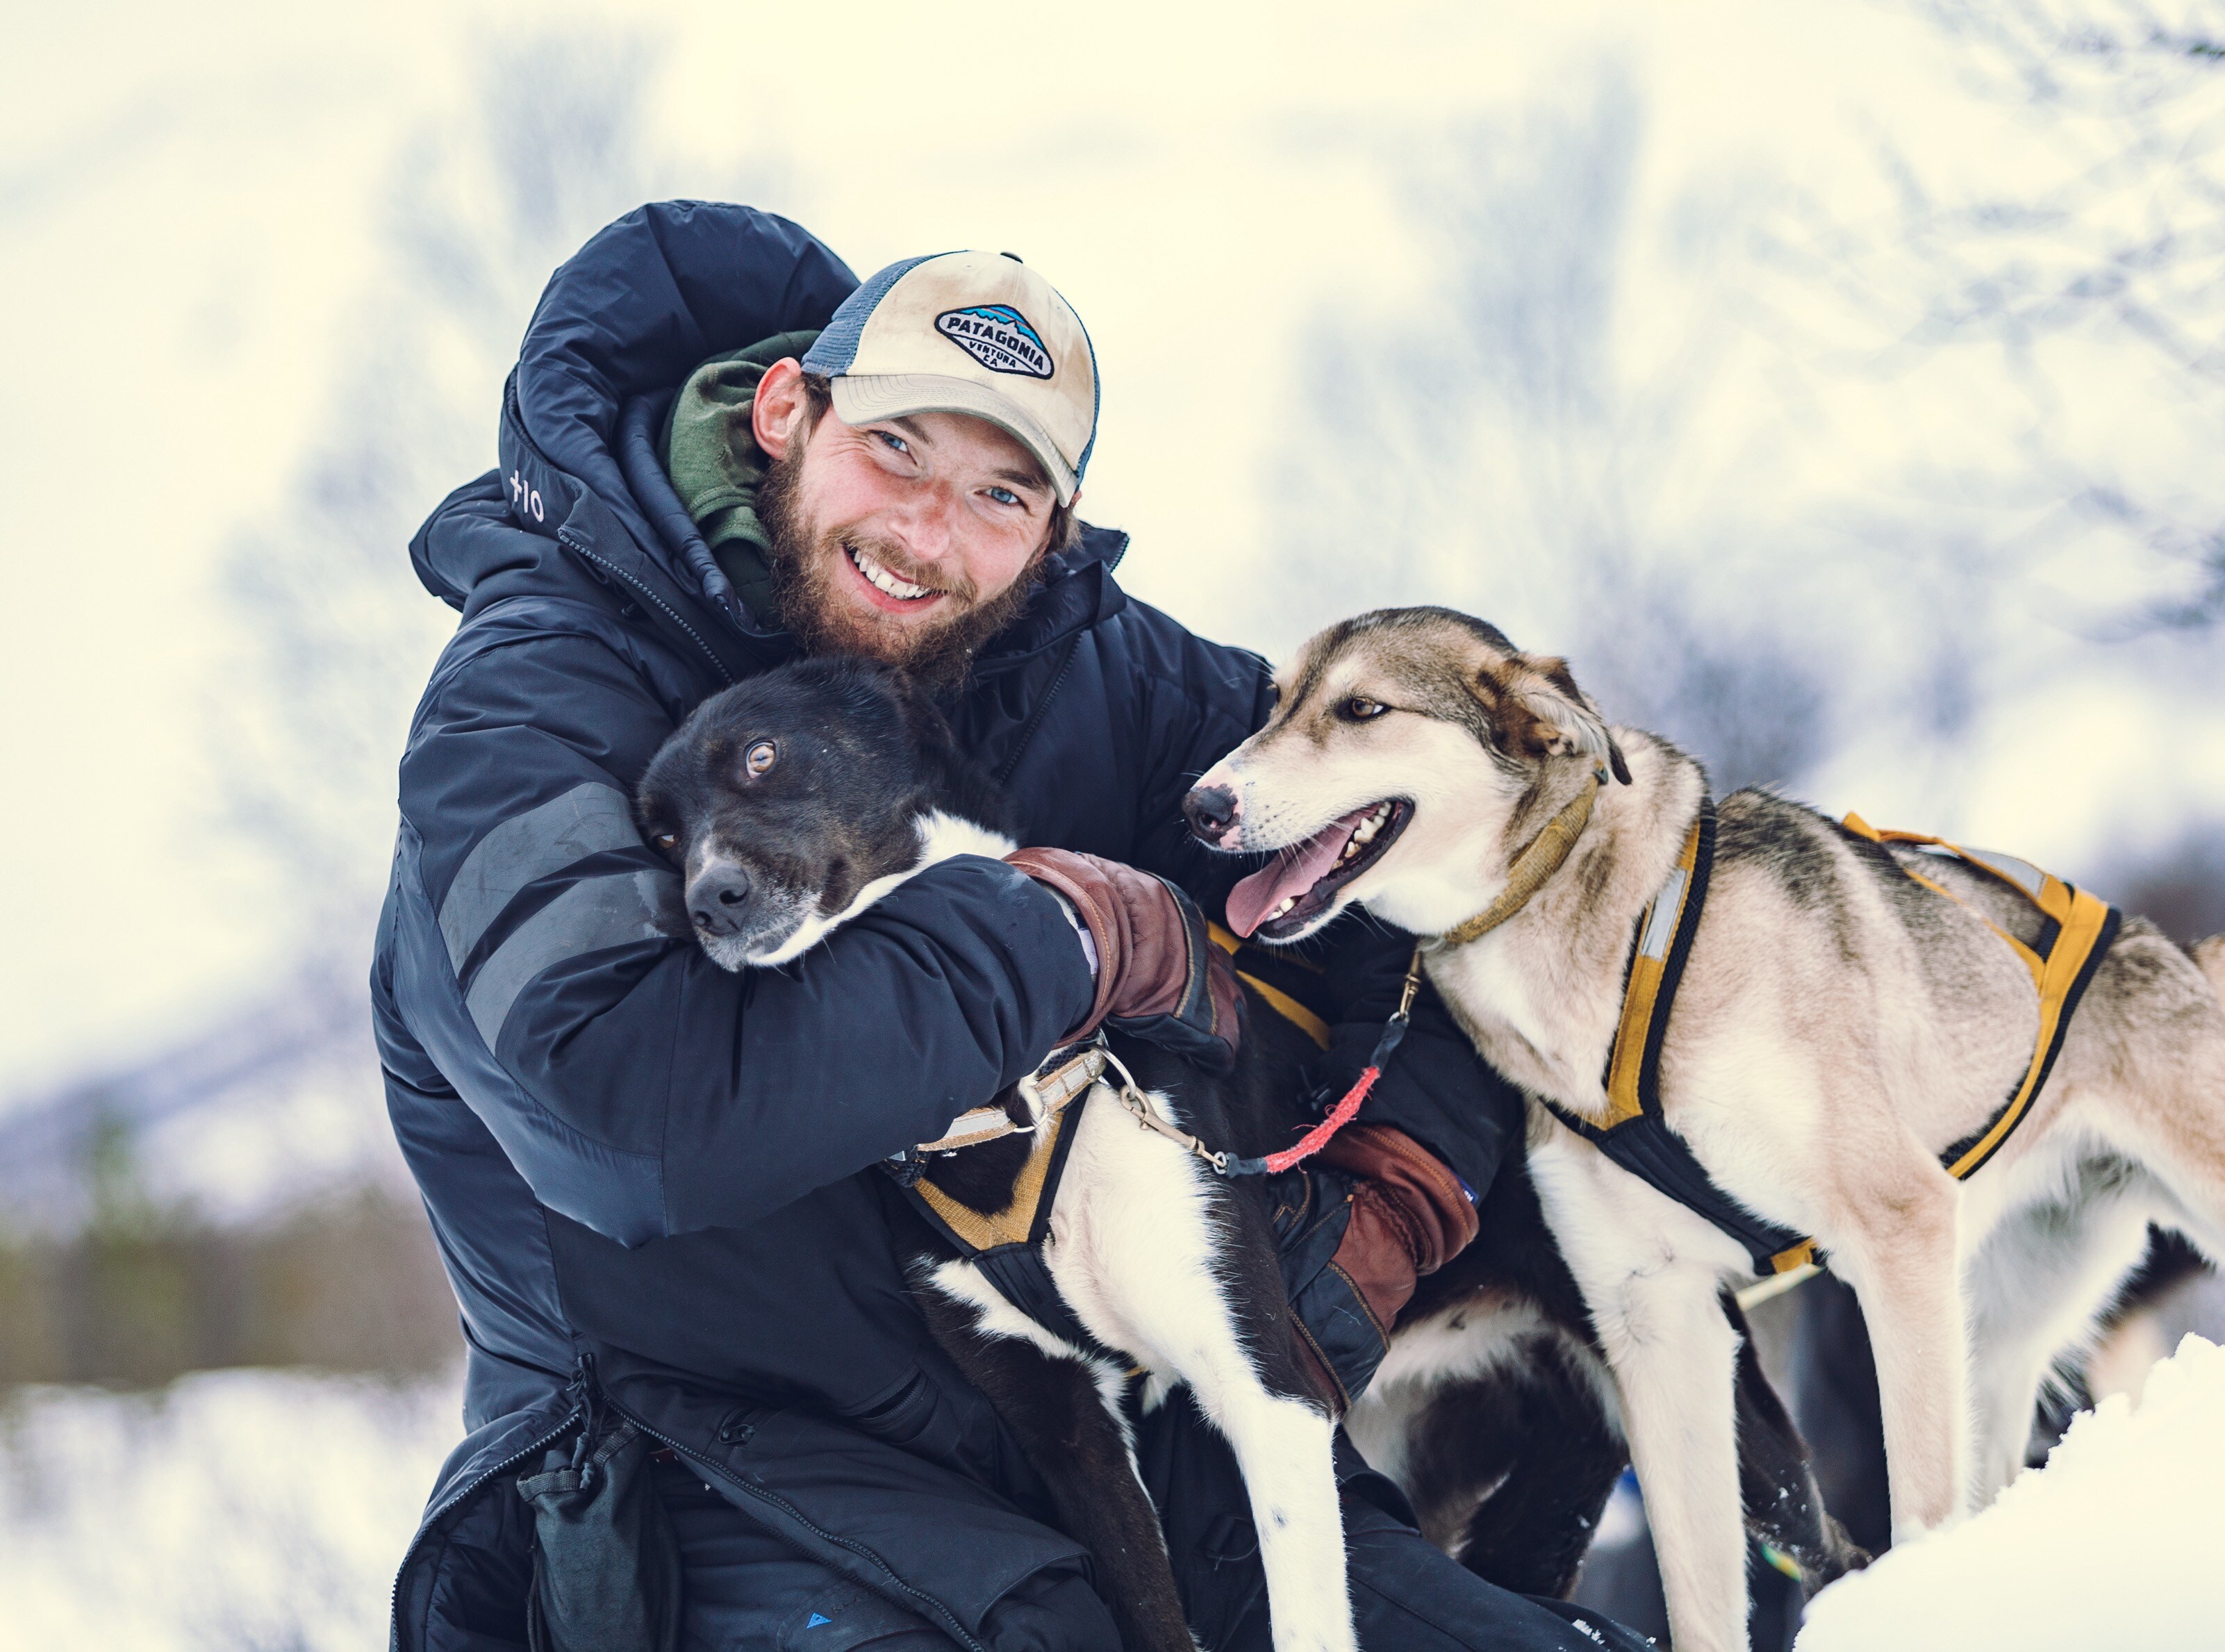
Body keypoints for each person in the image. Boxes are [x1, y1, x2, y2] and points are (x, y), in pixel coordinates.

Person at [374, 201, 1670, 1652]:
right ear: (787, 412)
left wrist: (1397, 1184)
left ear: (1053, 530)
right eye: (898, 449)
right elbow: (633, 1118)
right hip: (702, 1471)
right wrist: (1063, 938)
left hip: (1116, 1403)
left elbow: (1460, 865)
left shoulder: (1076, 664)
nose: (928, 534)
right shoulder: (532, 702)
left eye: (1003, 494)